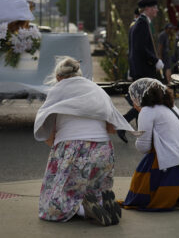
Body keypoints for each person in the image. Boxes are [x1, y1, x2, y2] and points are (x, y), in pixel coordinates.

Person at [34, 56, 135, 226]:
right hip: (103, 150)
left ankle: (82, 209)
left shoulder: (58, 90)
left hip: (73, 148)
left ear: (58, 77)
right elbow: (111, 128)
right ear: (80, 74)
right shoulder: (97, 90)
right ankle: (101, 202)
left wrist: (58, 154)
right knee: (92, 187)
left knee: (52, 205)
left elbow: (46, 130)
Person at [120, 78, 179, 210]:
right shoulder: (172, 107)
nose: (134, 105)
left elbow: (143, 147)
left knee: (141, 184)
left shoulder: (147, 111)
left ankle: (165, 196)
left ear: (141, 97)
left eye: (134, 99)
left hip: (172, 168)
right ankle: (178, 195)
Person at [118, 0, 164, 143]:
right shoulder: (142, 25)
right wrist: (155, 60)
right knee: (147, 101)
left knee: (142, 101)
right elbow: (140, 49)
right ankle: (124, 123)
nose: (157, 10)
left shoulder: (141, 23)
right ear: (148, 9)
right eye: (155, 7)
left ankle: (142, 132)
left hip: (141, 68)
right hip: (144, 69)